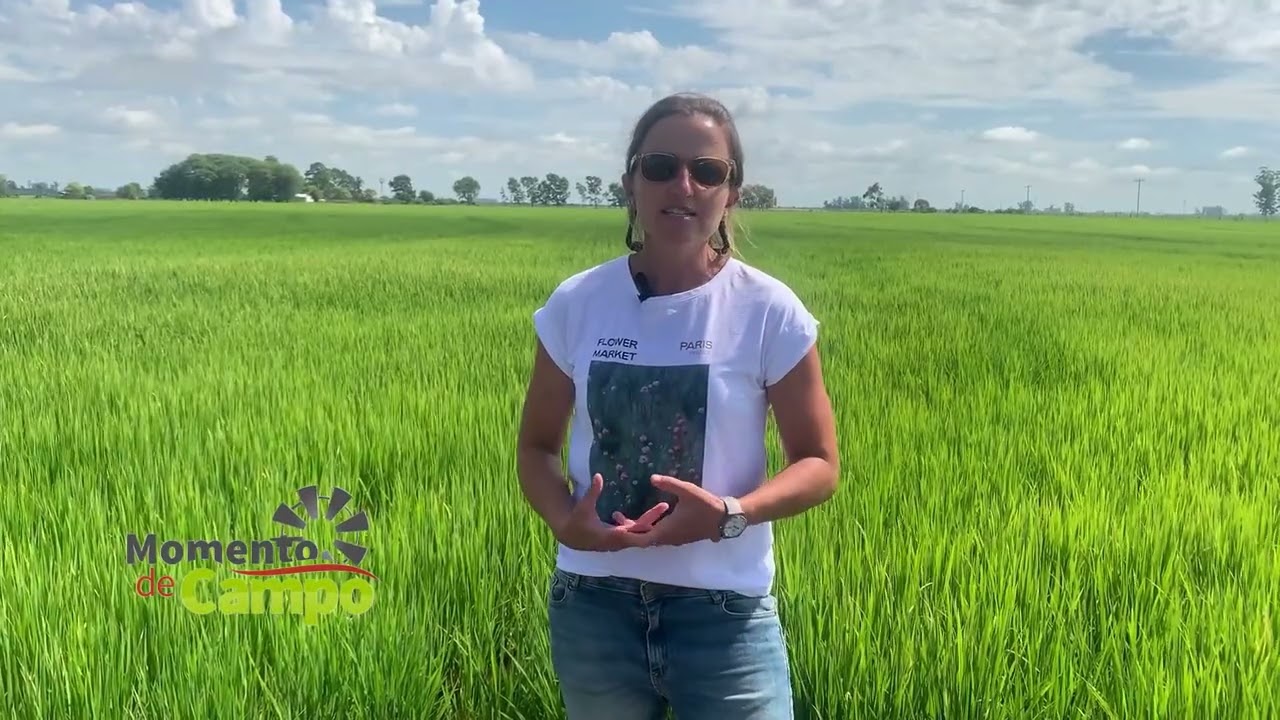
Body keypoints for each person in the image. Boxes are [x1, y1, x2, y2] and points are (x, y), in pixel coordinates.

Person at [516, 91, 840, 720]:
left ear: (732, 192)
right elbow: (536, 447)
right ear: (631, 183)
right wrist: (563, 522)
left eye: (707, 170)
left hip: (724, 614)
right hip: (593, 602)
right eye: (660, 166)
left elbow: (819, 464)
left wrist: (730, 514)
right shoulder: (577, 303)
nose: (683, 185)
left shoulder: (768, 310)